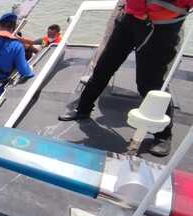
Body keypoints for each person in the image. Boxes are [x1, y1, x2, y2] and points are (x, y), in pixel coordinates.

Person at [58, 0, 192, 156]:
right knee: (104, 66)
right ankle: (83, 109)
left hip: (162, 27)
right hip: (130, 19)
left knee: (150, 83)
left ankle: (163, 135)